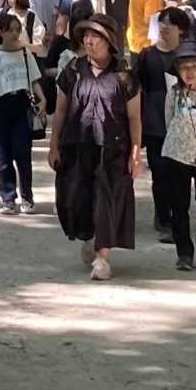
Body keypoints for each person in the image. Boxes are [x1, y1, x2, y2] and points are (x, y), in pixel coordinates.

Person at [48, 19, 142, 280]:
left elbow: (134, 117)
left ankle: (103, 258)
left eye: (95, 36)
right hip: (77, 146)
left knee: (107, 199)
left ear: (109, 41)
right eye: (86, 35)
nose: (89, 41)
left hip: (113, 148)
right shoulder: (73, 71)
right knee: (76, 197)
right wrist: (53, 145)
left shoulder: (124, 75)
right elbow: (61, 110)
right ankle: (89, 236)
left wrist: (136, 151)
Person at [153, 42, 196, 272]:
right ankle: (184, 253)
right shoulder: (174, 93)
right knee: (179, 206)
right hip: (177, 155)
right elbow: (169, 120)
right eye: (183, 67)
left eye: (193, 66)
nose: (189, 71)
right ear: (177, 71)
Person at [140, 7, 196, 238]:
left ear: (181, 30)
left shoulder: (189, 55)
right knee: (160, 173)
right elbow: (140, 86)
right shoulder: (147, 55)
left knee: (180, 175)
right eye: (161, 22)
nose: (164, 27)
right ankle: (163, 217)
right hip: (155, 122)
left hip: (184, 122)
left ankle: (178, 217)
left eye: (169, 24)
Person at [0, 12, 44, 215]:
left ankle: (27, 196)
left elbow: (34, 80)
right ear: (1, 32)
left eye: (18, 30)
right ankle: (8, 198)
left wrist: (42, 98)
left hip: (22, 103)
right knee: (3, 155)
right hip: (1, 104)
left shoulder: (25, 53)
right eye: (11, 30)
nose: (15, 34)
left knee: (22, 152)